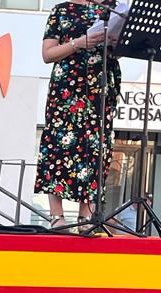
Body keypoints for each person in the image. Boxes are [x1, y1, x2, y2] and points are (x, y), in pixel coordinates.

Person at [35, 0, 121, 229]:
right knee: (58, 144)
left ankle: (86, 215)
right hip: (67, 88)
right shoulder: (61, 10)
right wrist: (78, 43)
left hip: (99, 87)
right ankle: (57, 215)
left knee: (95, 146)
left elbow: (118, 52)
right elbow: (47, 54)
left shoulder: (110, 8)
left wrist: (116, 43)